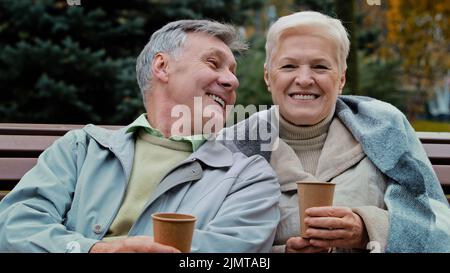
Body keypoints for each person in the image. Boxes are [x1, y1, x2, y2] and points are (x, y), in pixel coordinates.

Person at [0, 20, 281, 253]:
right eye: (213, 63)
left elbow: (234, 252)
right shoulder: (81, 149)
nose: (232, 81)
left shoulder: (249, 177)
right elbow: (14, 225)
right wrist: (95, 250)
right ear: (162, 66)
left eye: (233, 72)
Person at [224, 11, 450, 253]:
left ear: (341, 78)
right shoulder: (234, 145)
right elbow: (209, 244)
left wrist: (368, 229)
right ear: (268, 76)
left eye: (320, 67)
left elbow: (440, 227)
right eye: (289, 66)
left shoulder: (385, 127)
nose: (304, 79)